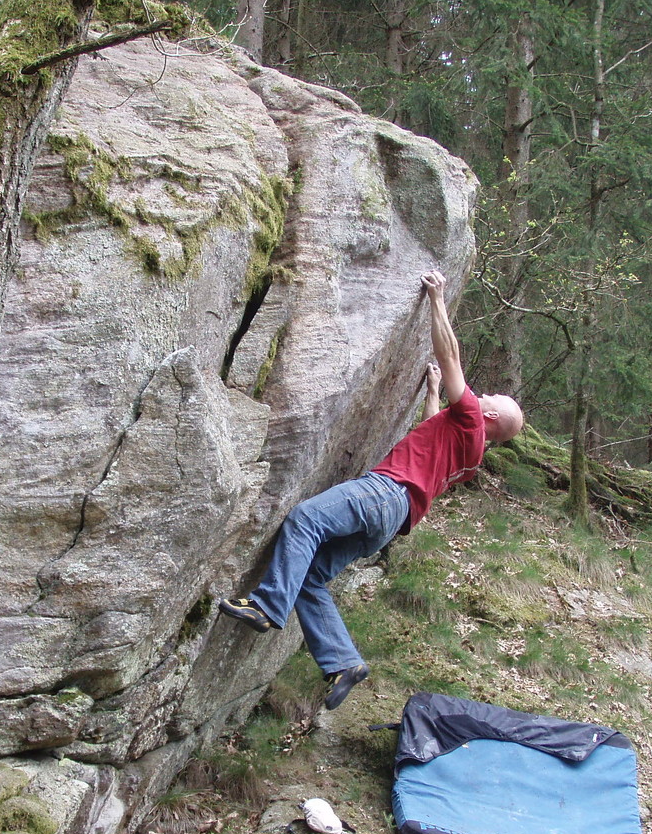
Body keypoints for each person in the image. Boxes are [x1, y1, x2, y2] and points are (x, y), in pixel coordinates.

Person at [219, 270, 523, 709]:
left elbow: (451, 355)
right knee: (311, 578)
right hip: (391, 522)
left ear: (490, 417)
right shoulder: (471, 454)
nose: (485, 394)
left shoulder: (472, 417)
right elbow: (430, 430)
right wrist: (433, 390)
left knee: (306, 519)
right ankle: (343, 662)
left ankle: (267, 606)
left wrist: (438, 299)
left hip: (385, 494)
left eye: (492, 398)